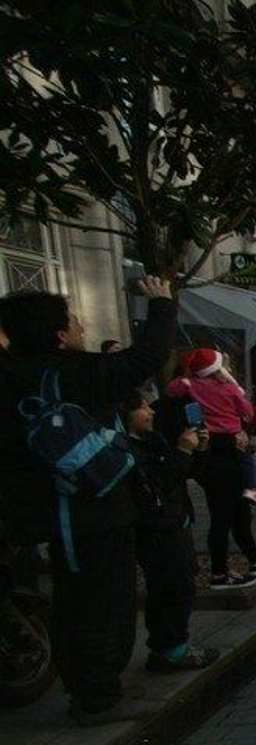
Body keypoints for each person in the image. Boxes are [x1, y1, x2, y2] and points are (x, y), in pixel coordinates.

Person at [0, 276, 175, 720]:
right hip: (95, 507)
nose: (80, 327)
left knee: (72, 598)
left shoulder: (13, 375)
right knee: (103, 602)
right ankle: (97, 695)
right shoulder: (76, 372)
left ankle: (84, 685)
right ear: (58, 333)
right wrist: (160, 304)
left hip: (45, 511)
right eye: (73, 321)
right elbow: (150, 355)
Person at [119, 391, 220, 672]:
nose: (150, 412)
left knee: (182, 582)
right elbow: (156, 485)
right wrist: (182, 451)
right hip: (156, 526)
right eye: (142, 408)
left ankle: (172, 645)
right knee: (170, 586)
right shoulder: (126, 448)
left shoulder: (153, 439)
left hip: (176, 519)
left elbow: (184, 474)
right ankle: (170, 648)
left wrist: (198, 449)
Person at [166, 346, 256, 506]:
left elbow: (171, 389)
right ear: (218, 369)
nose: (229, 370)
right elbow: (247, 411)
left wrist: (188, 377)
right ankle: (250, 489)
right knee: (246, 460)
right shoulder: (229, 389)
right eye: (226, 367)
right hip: (232, 434)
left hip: (208, 436)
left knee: (218, 503)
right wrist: (235, 385)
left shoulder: (191, 385)